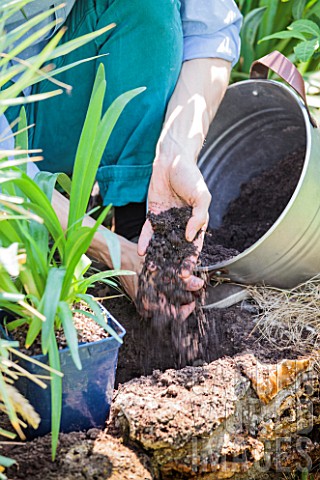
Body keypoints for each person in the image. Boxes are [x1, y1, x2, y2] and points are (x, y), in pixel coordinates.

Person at [3, 0, 242, 317]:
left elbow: (212, 29)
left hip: (59, 91)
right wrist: (113, 253)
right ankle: (117, 247)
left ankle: (137, 220)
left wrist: (176, 152)